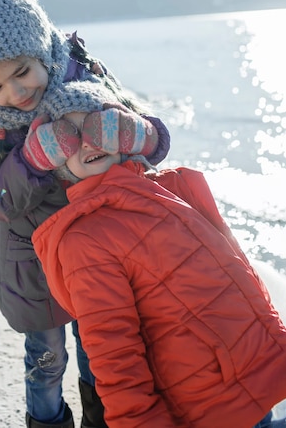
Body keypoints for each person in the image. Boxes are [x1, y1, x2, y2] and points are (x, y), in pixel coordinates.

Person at [0, 0, 171, 428]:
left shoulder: (85, 75)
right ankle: (46, 422)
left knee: (101, 351)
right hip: (33, 264)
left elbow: (155, 140)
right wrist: (34, 157)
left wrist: (135, 133)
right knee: (45, 359)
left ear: (41, 45)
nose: (16, 92)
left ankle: (98, 420)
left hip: (102, 252)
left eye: (22, 72)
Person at [32, 106, 286, 428]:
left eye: (99, 128)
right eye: (70, 137)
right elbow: (112, 349)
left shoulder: (166, 190)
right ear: (56, 161)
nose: (87, 143)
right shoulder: (84, 239)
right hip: (210, 401)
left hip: (256, 372)